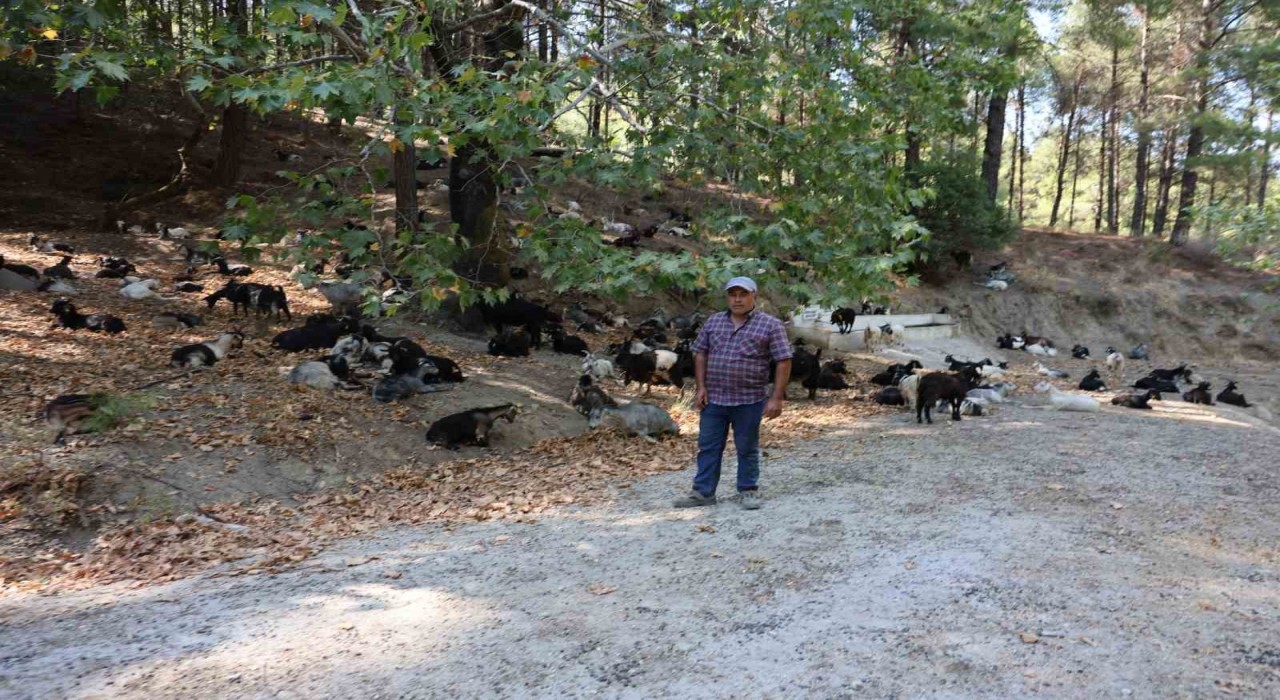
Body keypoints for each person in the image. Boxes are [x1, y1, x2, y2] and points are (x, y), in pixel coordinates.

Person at [674, 276, 792, 510]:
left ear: (753, 296)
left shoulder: (771, 325)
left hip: (749, 399)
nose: (737, 299)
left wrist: (776, 397)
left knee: (747, 446)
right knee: (708, 446)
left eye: (743, 294)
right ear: (727, 297)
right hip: (714, 399)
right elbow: (701, 353)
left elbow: (783, 360)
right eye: (732, 294)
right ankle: (703, 493)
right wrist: (701, 387)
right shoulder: (714, 322)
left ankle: (748, 490)